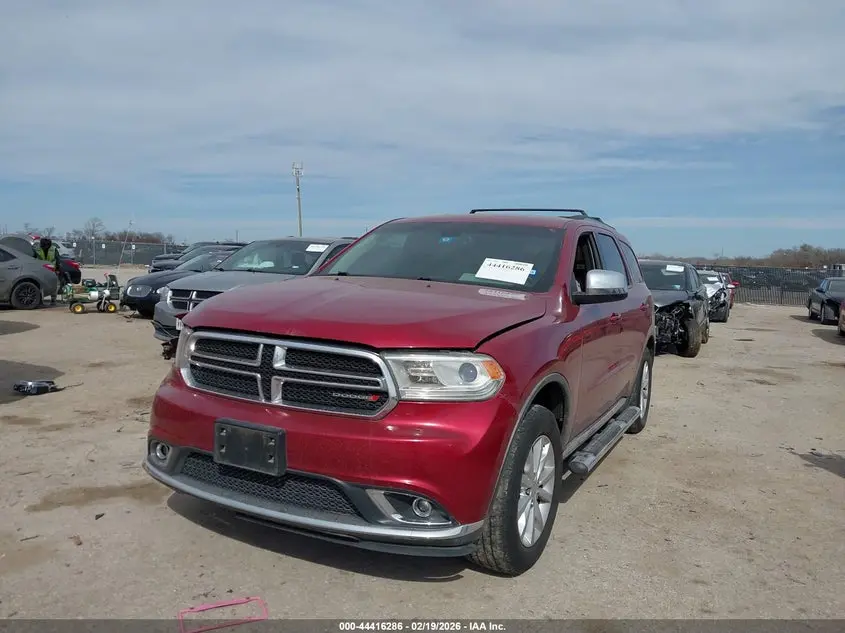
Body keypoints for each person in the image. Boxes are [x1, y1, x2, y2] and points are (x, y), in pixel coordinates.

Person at [34, 237, 62, 305]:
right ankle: (40, 300)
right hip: (41, 270)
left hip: (52, 269)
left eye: (47, 245)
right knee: (40, 285)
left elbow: (58, 260)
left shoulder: (54, 249)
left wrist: (58, 269)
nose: (45, 247)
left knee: (54, 285)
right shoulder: (36, 249)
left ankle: (53, 300)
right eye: (44, 245)